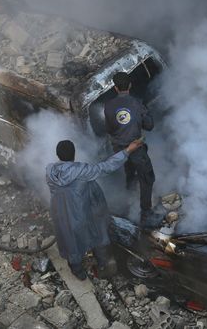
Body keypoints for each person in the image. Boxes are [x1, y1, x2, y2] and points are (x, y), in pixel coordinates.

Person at [47, 138, 142, 280]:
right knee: (97, 232)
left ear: (58, 155)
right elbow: (106, 167)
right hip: (79, 213)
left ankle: (77, 271)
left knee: (69, 240)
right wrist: (128, 150)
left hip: (60, 212)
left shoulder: (51, 172)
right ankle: (104, 263)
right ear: (74, 154)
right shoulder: (82, 171)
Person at [103, 72, 157, 224]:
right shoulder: (137, 103)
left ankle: (130, 196)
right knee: (147, 178)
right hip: (136, 148)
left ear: (115, 88)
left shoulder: (108, 106)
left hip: (119, 149)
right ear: (130, 85)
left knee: (129, 173)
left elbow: (109, 129)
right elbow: (150, 126)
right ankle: (145, 214)